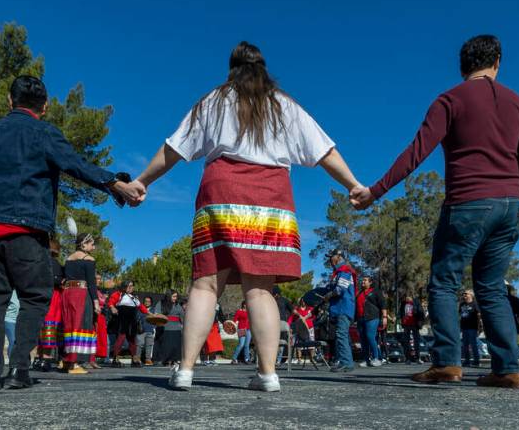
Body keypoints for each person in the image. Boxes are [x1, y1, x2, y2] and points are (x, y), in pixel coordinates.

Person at [128, 41, 364, 392]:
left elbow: (174, 148)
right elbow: (323, 149)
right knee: (260, 290)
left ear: (231, 68)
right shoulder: (284, 105)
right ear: (264, 68)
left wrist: (142, 180)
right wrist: (353, 184)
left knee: (207, 284)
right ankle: (268, 374)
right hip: (271, 195)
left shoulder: (215, 100)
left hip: (221, 190)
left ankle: (186, 370)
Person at [351, 35, 519, 389]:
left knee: (444, 283)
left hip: (469, 201)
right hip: (510, 205)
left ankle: (447, 363)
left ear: (462, 65)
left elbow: (416, 151)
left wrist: (375, 192)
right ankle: (508, 368)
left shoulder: (450, 99)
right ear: (497, 61)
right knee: (492, 287)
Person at [0, 76, 140, 390]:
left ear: (10, 100)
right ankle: (19, 368)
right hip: (26, 230)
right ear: (44, 106)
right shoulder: (45, 133)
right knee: (36, 296)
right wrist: (115, 183)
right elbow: (76, 165)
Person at [61, 233, 99, 374]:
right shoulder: (89, 260)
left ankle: (66, 360)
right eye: (91, 244)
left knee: (69, 325)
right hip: (81, 294)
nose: (93, 247)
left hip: (68, 294)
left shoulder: (68, 259)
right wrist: (96, 302)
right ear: (83, 244)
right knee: (81, 324)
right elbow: (91, 283)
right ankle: (74, 363)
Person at [34, 239, 64, 372]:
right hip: (53, 297)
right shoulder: (55, 264)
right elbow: (56, 280)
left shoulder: (38, 263)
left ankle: (37, 358)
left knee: (40, 328)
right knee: (50, 326)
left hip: (38, 297)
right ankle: (45, 359)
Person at [327, 250, 358, 372]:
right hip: (339, 308)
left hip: (343, 308)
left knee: (341, 334)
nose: (330, 259)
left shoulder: (345, 270)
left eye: (332, 257)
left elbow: (340, 289)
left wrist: (328, 295)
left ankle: (346, 363)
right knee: (342, 335)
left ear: (339, 257)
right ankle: (345, 361)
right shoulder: (337, 272)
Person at [107, 280, 147, 367]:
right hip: (122, 320)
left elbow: (142, 308)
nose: (130, 287)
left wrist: (152, 314)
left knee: (132, 340)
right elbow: (110, 302)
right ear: (124, 286)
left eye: (132, 286)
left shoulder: (134, 297)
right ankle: (115, 360)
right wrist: (112, 307)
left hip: (132, 321)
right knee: (120, 339)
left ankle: (134, 360)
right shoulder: (118, 294)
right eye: (128, 286)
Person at [356, 275, 387, 367]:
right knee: (363, 339)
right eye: (362, 280)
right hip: (360, 318)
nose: (363, 282)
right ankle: (366, 360)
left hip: (372, 317)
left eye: (365, 280)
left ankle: (376, 358)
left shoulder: (376, 292)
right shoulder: (359, 293)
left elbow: (383, 304)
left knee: (370, 337)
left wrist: (384, 317)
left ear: (370, 282)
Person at [153, 290, 183, 366]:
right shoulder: (161, 303)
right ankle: (161, 359)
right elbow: (157, 314)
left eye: (176, 296)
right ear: (169, 296)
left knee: (175, 346)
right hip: (164, 327)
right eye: (174, 296)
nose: (175, 298)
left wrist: (183, 324)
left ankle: (174, 359)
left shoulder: (177, 304)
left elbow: (182, 316)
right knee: (165, 345)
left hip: (176, 328)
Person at [400, 296, 426, 364]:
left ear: (411, 297)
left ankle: (418, 358)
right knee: (406, 342)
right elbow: (401, 312)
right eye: (405, 298)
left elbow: (421, 313)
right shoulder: (403, 303)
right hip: (406, 324)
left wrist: (420, 323)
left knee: (416, 342)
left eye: (408, 297)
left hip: (415, 324)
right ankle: (407, 359)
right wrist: (402, 320)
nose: (406, 299)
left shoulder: (416, 303)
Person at [459, 290, 481, 368]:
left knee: (473, 344)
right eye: (463, 294)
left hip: (472, 328)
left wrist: (478, 327)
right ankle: (467, 361)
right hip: (464, 328)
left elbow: (478, 316)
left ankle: (476, 361)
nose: (464, 295)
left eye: (466, 294)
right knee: (465, 345)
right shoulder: (462, 304)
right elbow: (460, 315)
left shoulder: (475, 304)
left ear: (471, 295)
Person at [273, 287, 294, 364]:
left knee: (282, 343)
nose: (273, 296)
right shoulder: (272, 301)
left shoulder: (285, 300)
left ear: (277, 294)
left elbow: (293, 311)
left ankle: (278, 360)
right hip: (273, 324)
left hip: (283, 324)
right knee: (274, 342)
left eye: (274, 294)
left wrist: (289, 322)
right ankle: (273, 360)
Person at [138, 296, 156, 366]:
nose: (147, 303)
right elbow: (137, 318)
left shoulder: (153, 310)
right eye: (146, 301)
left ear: (151, 302)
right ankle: (137, 359)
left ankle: (148, 359)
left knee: (149, 345)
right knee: (139, 345)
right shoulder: (140, 309)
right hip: (141, 330)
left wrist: (154, 327)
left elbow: (156, 319)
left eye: (149, 301)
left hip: (150, 330)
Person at [4, 291, 20, 360]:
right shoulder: (8, 290)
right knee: (13, 340)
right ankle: (12, 361)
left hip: (21, 320)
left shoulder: (24, 290)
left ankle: (21, 361)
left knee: (21, 341)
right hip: (9, 319)